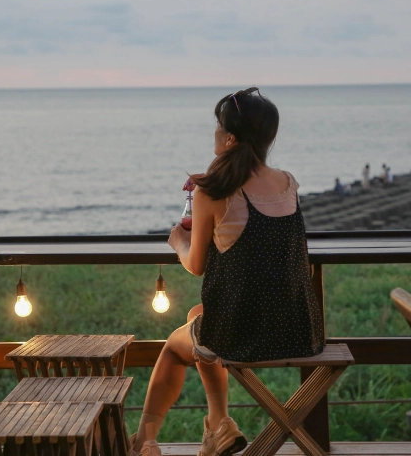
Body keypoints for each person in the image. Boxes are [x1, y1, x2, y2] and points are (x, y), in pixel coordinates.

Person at [132, 87, 325, 456]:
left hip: (246, 336)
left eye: (218, 128)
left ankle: (144, 441)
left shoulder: (213, 193)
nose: (215, 134)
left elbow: (196, 265)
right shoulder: (288, 182)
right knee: (198, 316)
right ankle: (218, 424)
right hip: (301, 328)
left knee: (174, 349)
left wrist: (177, 241)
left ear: (230, 137)